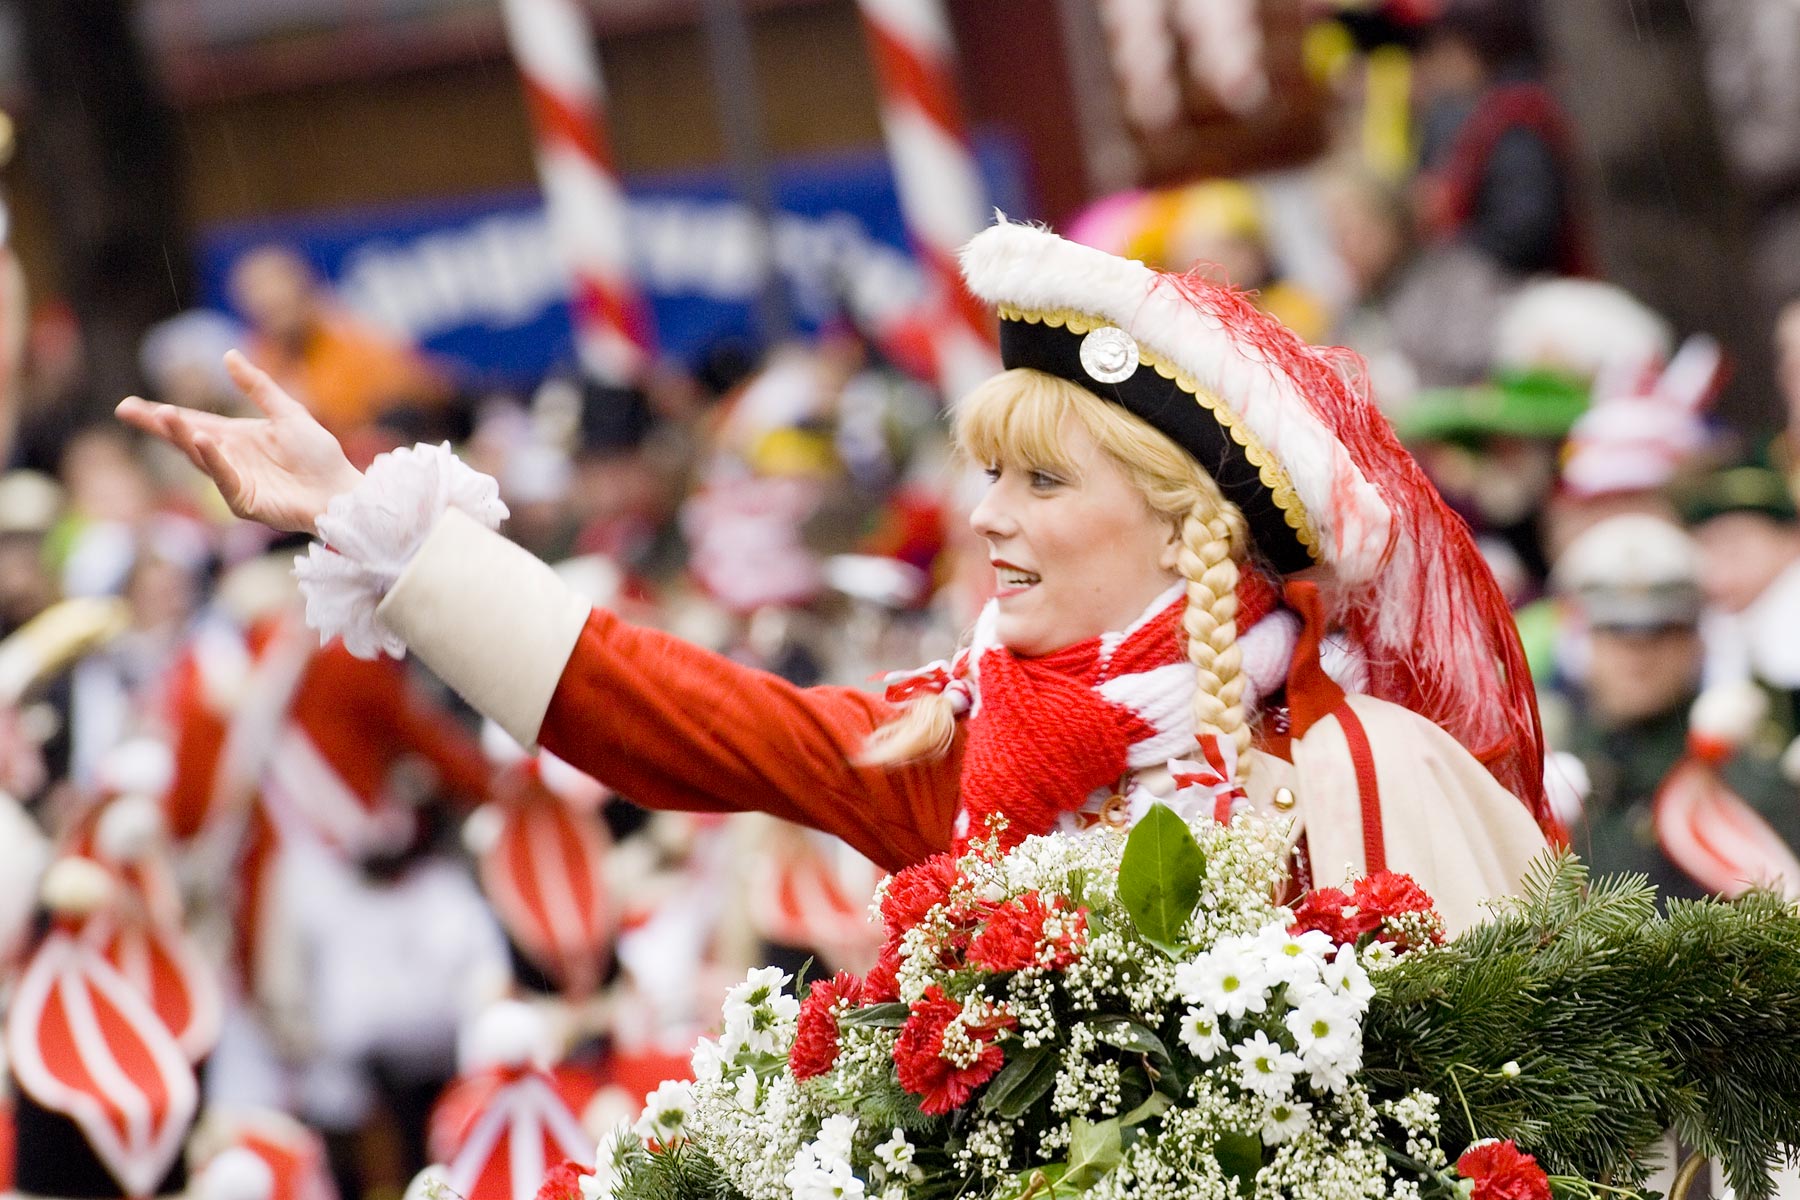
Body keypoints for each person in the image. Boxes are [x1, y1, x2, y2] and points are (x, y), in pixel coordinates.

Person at [119, 220, 1551, 932]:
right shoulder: (962, 735)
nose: (984, 519)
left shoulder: (1364, 765)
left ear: (1197, 531)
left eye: (1042, 481)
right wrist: (380, 527)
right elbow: (673, 716)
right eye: (986, 472)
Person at [1548, 513, 1800, 902]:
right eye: (1616, 631)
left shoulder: (1739, 771)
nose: (1637, 657)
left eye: (1661, 631)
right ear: (1586, 640)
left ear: (1697, 639)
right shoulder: (1553, 765)